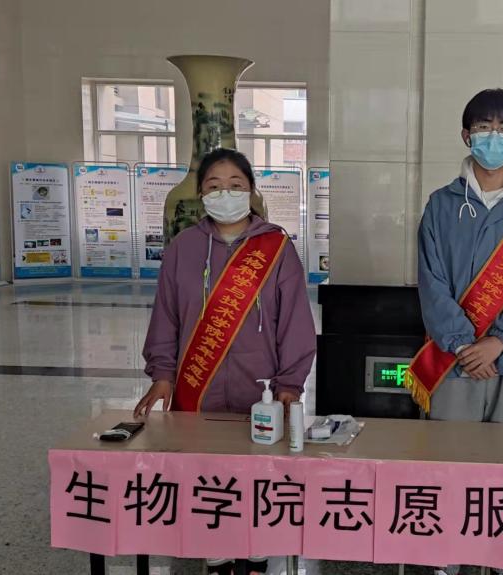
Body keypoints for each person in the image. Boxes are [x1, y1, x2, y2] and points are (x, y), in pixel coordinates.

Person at [135, 148, 316, 575]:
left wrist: (290, 383)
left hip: (262, 388)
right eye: (214, 186)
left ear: (251, 191)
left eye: (236, 185)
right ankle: (215, 554)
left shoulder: (276, 248)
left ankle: (256, 554)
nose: (225, 193)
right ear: (201, 194)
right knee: (205, 470)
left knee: (259, 471)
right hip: (197, 384)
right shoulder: (183, 248)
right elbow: (166, 316)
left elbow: (294, 321)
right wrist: (163, 374)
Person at [411, 89, 503, 575]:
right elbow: (431, 281)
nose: (493, 137)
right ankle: (448, 557)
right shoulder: (441, 205)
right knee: (450, 461)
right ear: (466, 135)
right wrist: (462, 344)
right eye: (483, 128)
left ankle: (502, 558)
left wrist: (499, 341)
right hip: (454, 360)